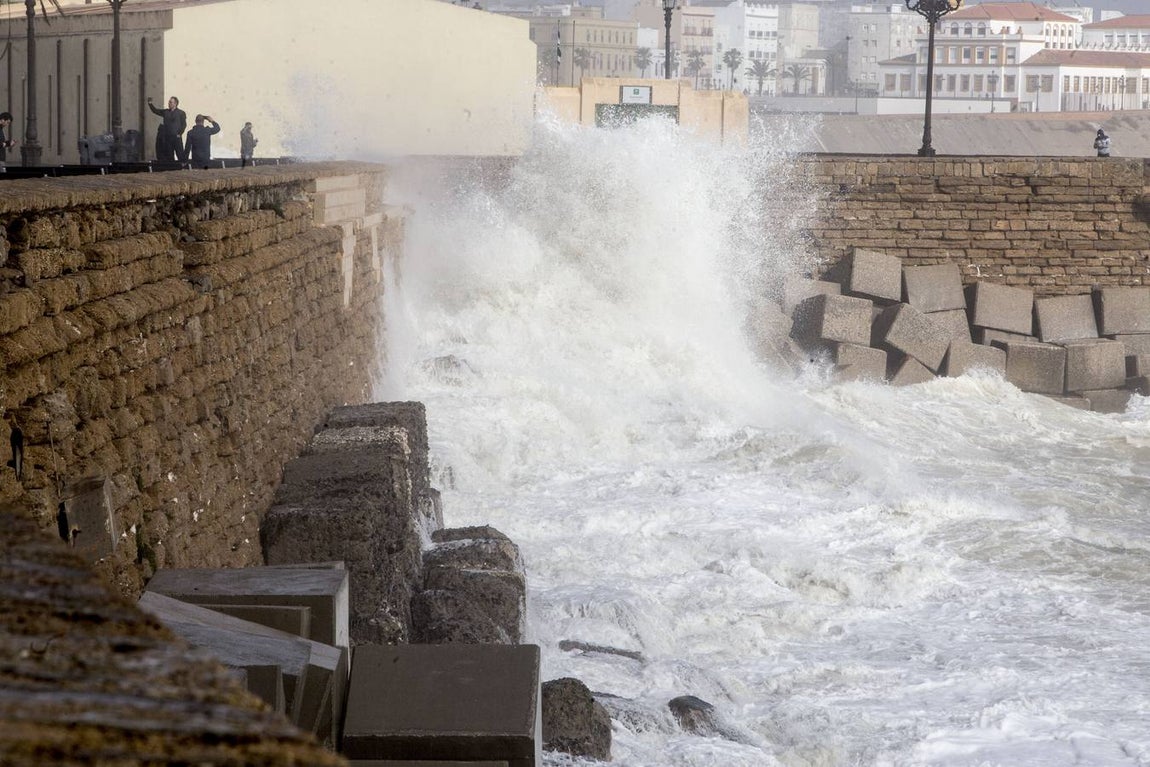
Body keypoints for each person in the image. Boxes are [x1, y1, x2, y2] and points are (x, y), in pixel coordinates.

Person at [147, 96, 187, 162]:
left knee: (180, 155)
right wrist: (150, 103)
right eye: (169, 102)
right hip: (168, 138)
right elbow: (155, 111)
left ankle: (182, 168)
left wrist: (180, 133)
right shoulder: (166, 112)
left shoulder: (181, 113)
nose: (169, 104)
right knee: (169, 156)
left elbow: (184, 125)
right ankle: (172, 168)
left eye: (171, 102)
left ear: (175, 103)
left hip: (176, 137)